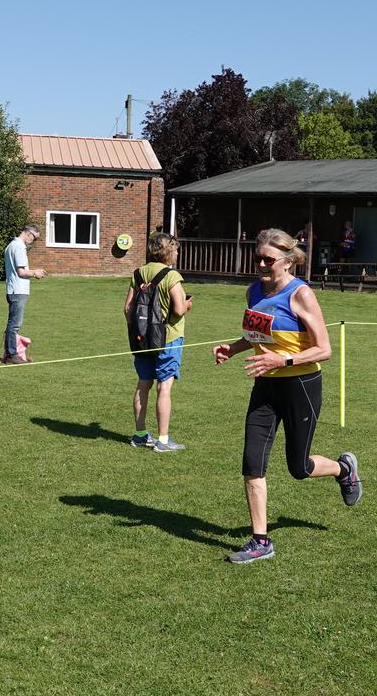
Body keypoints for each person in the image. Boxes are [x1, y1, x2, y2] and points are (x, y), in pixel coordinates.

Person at [213, 229, 361, 564]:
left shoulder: (301, 294)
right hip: (265, 386)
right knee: (253, 462)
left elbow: (324, 349)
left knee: (299, 467)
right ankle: (260, 541)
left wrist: (284, 360)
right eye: (258, 259)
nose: (262, 265)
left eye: (269, 259)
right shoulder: (254, 291)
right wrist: (234, 348)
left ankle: (342, 469)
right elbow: (259, 335)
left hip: (301, 387)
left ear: (289, 260)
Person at [125, 233, 193, 452]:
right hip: (168, 338)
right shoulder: (172, 276)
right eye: (175, 250)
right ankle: (163, 441)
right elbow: (179, 309)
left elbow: (127, 309)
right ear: (168, 251)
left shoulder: (138, 273)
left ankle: (140, 434)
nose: (177, 254)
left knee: (143, 383)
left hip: (141, 340)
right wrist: (188, 305)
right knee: (164, 387)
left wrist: (138, 331)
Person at [2, 224, 45, 363]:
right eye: (34, 238)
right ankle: (11, 355)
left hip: (14, 289)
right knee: (14, 324)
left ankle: (13, 353)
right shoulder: (19, 247)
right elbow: (21, 272)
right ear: (28, 233)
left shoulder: (11, 245)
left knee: (14, 324)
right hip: (18, 290)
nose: (34, 241)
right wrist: (35, 273)